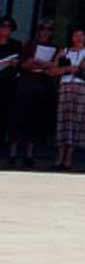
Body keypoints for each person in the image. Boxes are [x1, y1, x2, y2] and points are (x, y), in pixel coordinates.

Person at [51, 26, 85, 170]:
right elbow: (52, 70)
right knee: (64, 120)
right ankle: (59, 157)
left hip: (82, 87)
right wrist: (67, 69)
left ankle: (68, 158)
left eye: (81, 35)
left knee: (77, 121)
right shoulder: (64, 51)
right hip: (66, 87)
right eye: (76, 35)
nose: (78, 38)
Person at [7, 20, 57, 167]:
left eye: (49, 29)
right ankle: (13, 153)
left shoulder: (54, 48)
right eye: (43, 29)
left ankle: (29, 154)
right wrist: (34, 63)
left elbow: (54, 66)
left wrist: (42, 64)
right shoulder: (29, 45)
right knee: (19, 118)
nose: (46, 32)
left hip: (42, 84)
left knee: (35, 120)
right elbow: (23, 64)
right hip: (26, 84)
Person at [0, 16, 23, 165]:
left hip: (8, 84)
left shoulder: (16, 45)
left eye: (9, 26)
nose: (5, 29)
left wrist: (14, 64)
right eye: (3, 26)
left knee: (4, 118)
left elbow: (20, 62)